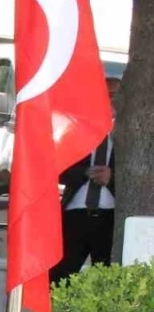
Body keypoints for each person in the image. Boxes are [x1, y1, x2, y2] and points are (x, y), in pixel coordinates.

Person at [51, 76, 121, 284]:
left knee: (106, 280)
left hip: (110, 217)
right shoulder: (78, 129)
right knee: (59, 278)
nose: (109, 101)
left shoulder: (129, 133)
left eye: (113, 96)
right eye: (104, 95)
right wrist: (85, 172)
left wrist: (112, 178)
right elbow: (58, 168)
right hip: (76, 213)